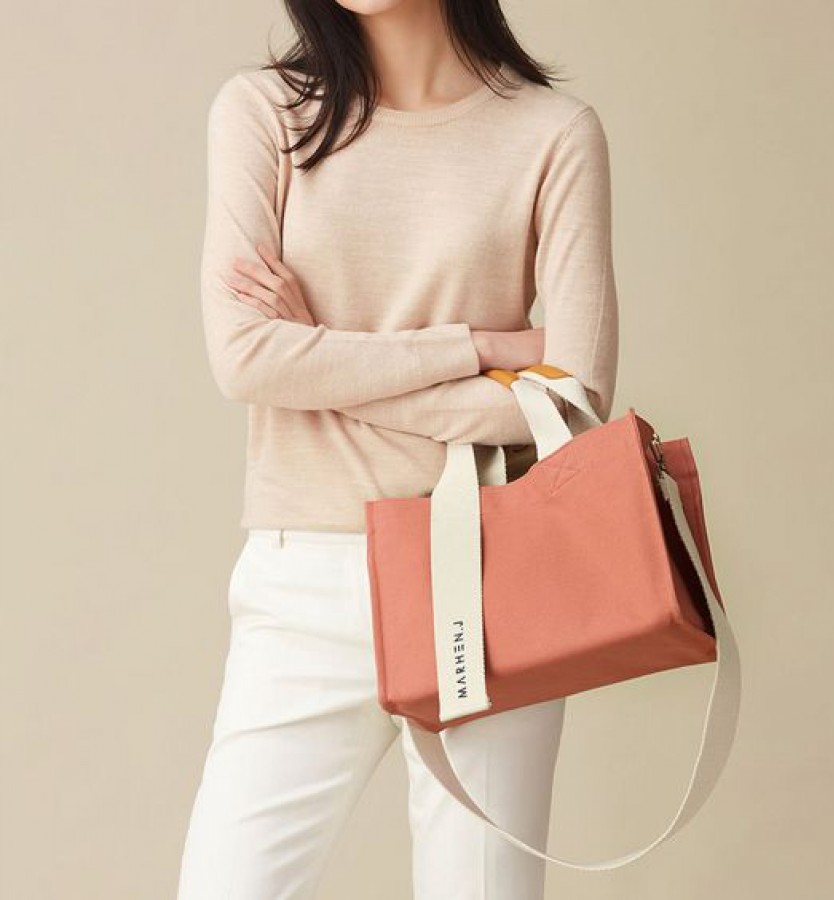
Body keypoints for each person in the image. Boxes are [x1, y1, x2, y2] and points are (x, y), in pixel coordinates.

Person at [176, 0, 618, 897]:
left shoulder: (552, 132)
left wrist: (323, 363)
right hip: (303, 582)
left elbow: (573, 401)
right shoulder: (266, 115)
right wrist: (481, 348)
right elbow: (246, 359)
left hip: (487, 580)